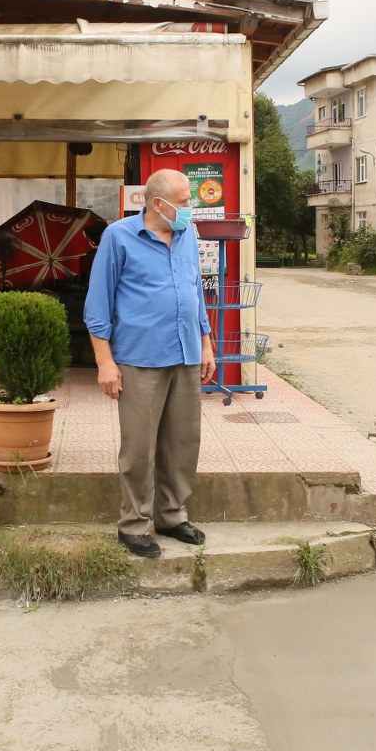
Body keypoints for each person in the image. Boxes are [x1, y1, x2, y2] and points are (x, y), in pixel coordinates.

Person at [85, 169, 216, 558]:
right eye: (185, 201)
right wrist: (104, 362)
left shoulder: (188, 235)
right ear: (159, 203)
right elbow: (97, 306)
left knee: (182, 442)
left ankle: (172, 516)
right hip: (139, 358)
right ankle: (134, 524)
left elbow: (196, 291)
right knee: (139, 447)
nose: (191, 208)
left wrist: (206, 343)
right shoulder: (119, 237)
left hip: (186, 352)